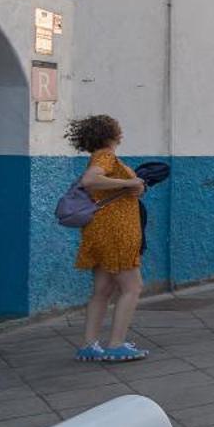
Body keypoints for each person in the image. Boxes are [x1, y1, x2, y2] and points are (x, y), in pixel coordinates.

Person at [68, 114, 147, 362]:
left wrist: (131, 186)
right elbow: (90, 180)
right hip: (116, 231)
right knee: (132, 287)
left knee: (102, 289)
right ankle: (116, 343)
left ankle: (89, 344)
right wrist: (128, 183)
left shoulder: (99, 156)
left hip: (100, 230)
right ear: (112, 133)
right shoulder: (105, 155)